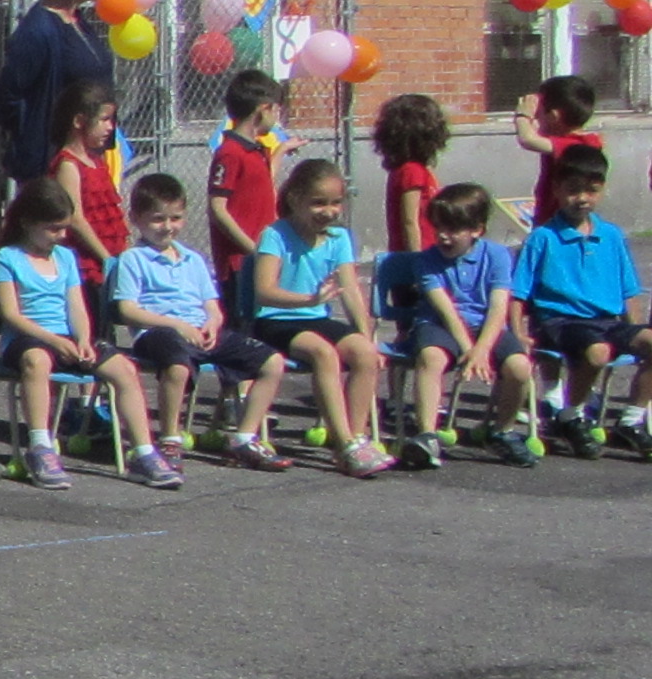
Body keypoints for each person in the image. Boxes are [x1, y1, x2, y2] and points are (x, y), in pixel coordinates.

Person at [0, 182, 160, 489]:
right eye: (53, 229)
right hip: (27, 338)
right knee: (37, 361)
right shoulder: (6, 259)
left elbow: (77, 307)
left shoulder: (65, 257)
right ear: (27, 223)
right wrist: (53, 341)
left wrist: (82, 339)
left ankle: (143, 451)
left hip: (66, 337)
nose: (62, 235)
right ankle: (40, 446)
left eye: (64, 228)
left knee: (123, 368)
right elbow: (11, 315)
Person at [107, 173, 279, 471]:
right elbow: (127, 310)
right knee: (177, 365)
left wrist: (212, 322)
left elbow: (212, 305)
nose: (168, 227)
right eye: (158, 219)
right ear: (136, 218)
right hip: (157, 332)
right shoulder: (133, 259)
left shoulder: (193, 259)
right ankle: (171, 437)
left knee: (272, 362)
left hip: (200, 330)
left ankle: (244, 437)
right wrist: (176, 326)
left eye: (175, 218)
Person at [246, 159, 393, 478]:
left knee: (365, 354)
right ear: (296, 199)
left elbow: (350, 290)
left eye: (335, 202)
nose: (328, 211)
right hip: (277, 319)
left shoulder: (339, 239)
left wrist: (366, 334)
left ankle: (353, 441)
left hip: (316, 317)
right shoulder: (275, 235)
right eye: (318, 202)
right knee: (324, 353)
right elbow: (264, 291)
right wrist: (309, 299)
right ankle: (345, 442)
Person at [382, 181, 535, 469]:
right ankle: (427, 434)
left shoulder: (498, 255)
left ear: (477, 229)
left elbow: (498, 307)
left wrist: (482, 349)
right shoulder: (426, 261)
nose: (443, 236)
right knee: (431, 357)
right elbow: (447, 310)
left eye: (453, 230)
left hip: (484, 327)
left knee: (519, 367)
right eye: (439, 228)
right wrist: (468, 348)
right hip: (440, 325)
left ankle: (502, 430)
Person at [511, 144, 644, 457]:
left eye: (591, 190)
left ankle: (632, 420)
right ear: (556, 189)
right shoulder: (543, 237)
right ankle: (570, 415)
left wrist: (634, 331)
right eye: (572, 190)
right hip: (560, 322)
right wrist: (517, 331)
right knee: (597, 353)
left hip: (606, 322)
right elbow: (518, 293)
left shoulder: (611, 235)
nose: (582, 198)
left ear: (602, 190)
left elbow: (629, 290)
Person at [0, 0, 116, 189]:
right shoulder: (38, 30)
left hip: (88, 154)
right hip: (53, 164)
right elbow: (8, 98)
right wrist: (39, 132)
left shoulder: (78, 19)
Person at [203, 70, 287, 297]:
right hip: (239, 265)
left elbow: (262, 185)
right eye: (276, 110)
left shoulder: (257, 150)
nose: (277, 117)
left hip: (263, 259)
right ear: (263, 109)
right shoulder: (230, 153)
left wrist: (281, 152)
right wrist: (253, 249)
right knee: (240, 328)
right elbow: (217, 208)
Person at [44, 81, 129, 291]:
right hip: (86, 265)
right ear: (79, 121)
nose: (110, 127)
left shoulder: (97, 161)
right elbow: (75, 218)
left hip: (110, 260)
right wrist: (106, 258)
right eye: (104, 120)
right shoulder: (68, 164)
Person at [373, 93, 451, 256]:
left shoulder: (414, 170)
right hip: (416, 256)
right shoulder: (411, 171)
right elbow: (409, 220)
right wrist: (416, 260)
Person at [511, 74, 606, 184]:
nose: (536, 117)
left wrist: (522, 115)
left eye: (539, 113)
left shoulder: (573, 146)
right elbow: (534, 134)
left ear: (553, 117)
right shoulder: (585, 141)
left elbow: (527, 140)